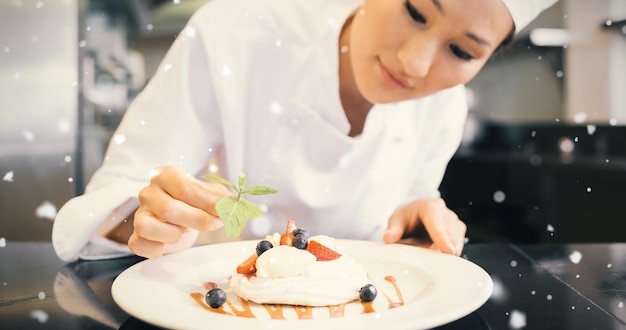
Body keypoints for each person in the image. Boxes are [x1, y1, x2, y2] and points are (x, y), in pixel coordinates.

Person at [52, 0, 558, 262]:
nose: (414, 62)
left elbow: (407, 208)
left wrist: (417, 226)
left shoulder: (443, 104)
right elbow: (116, 199)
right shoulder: (236, 32)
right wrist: (145, 216)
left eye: (463, 52)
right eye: (415, 10)